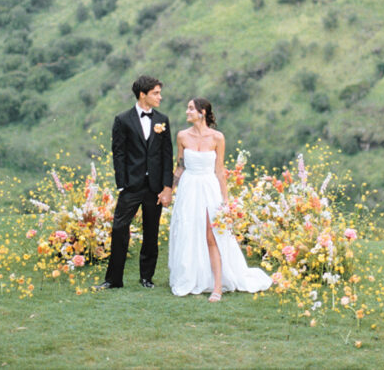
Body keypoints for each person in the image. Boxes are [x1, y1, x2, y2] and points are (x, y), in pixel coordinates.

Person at [168, 97, 271, 301]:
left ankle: (217, 286)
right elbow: (180, 166)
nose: (187, 112)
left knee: (212, 235)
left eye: (190, 108)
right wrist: (169, 190)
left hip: (209, 188)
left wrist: (225, 200)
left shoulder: (217, 138)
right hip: (189, 188)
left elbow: (220, 170)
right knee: (188, 231)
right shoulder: (182, 136)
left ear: (202, 112)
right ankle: (190, 276)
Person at [95, 75, 174, 290]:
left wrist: (168, 187)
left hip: (155, 187)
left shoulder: (162, 120)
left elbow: (167, 155)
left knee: (151, 232)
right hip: (131, 185)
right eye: (156, 93)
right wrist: (122, 184)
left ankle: (146, 277)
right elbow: (118, 154)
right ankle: (113, 280)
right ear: (142, 94)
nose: (160, 97)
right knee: (120, 228)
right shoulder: (122, 119)